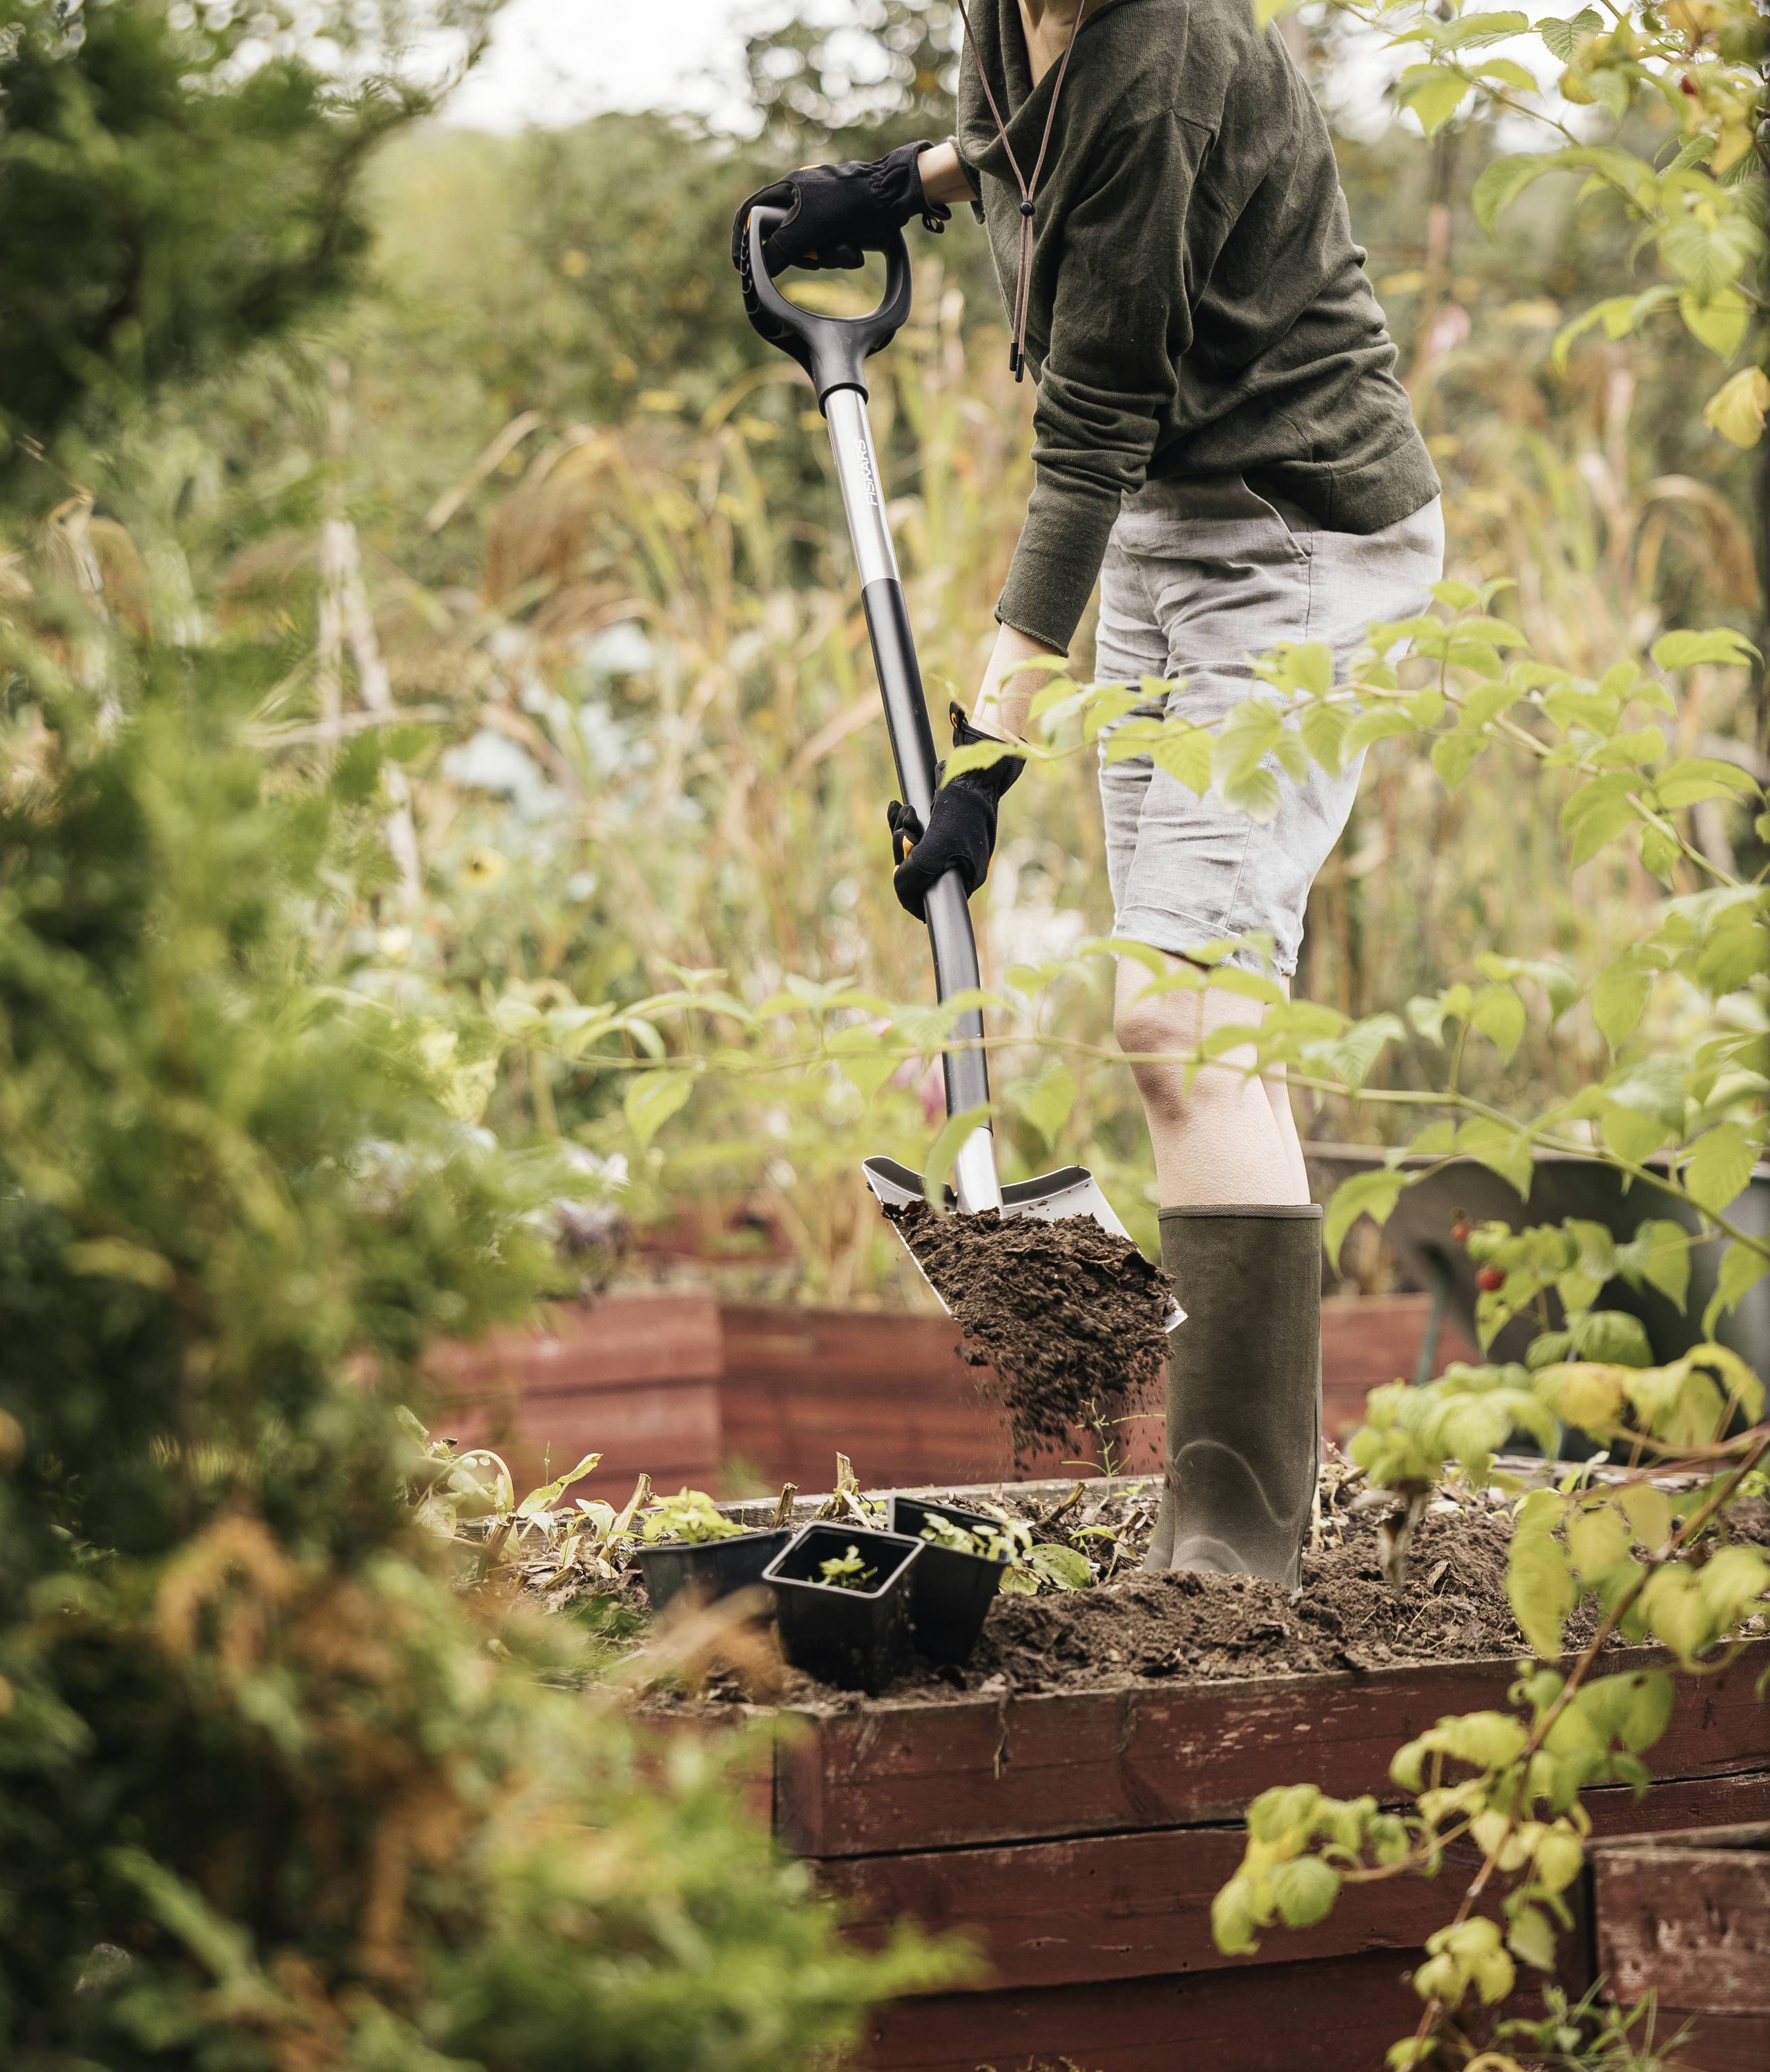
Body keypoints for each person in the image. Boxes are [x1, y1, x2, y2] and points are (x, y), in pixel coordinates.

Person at [734, 0, 1442, 1586]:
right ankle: (1260, 1511)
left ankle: (1236, 1548)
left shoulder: (1163, 50)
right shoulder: (1015, 15)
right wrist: (907, 183)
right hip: (1172, 535)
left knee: (1175, 1019)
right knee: (1214, 1016)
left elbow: (1089, 442)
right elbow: (1031, 138)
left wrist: (983, 760)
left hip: (1294, 541)